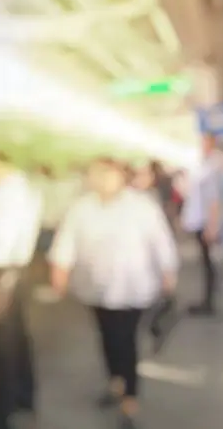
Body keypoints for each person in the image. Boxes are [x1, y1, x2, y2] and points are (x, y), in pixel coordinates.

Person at [49, 157, 178, 429]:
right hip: (96, 287)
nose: (103, 181)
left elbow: (161, 240)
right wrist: (60, 271)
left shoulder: (142, 206)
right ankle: (115, 382)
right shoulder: (82, 208)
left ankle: (129, 398)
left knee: (125, 340)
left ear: (121, 176)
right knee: (107, 336)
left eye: (108, 175)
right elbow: (67, 241)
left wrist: (168, 272)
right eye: (97, 175)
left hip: (133, 287)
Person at [0, 151, 43, 429]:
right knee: (18, 342)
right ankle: (25, 396)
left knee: (3, 347)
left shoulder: (8, 193)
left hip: (2, 275)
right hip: (10, 274)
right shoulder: (22, 189)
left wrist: (0, 286)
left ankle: (3, 413)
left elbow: (2, 242)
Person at [181, 133, 223, 316]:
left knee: (208, 263)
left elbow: (213, 201)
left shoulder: (212, 168)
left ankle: (208, 302)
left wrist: (211, 227)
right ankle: (207, 299)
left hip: (205, 223)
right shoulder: (206, 166)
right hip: (201, 221)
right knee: (206, 262)